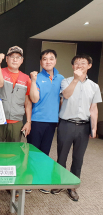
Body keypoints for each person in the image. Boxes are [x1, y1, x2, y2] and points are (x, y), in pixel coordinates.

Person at [51, 54, 102, 201]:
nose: (79, 65)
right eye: (77, 63)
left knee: (78, 158)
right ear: (73, 66)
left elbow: (94, 109)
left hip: (83, 126)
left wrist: (94, 128)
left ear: (89, 66)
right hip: (66, 124)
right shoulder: (65, 81)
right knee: (62, 156)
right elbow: (66, 95)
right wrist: (75, 79)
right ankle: (59, 182)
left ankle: (72, 186)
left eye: (83, 63)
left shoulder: (94, 86)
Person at [0, 46, 32, 197]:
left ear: (22, 60)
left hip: (16, 120)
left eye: (18, 57)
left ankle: (11, 183)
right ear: (6, 59)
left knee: (14, 153)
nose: (15, 59)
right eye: (12, 57)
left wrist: (28, 121)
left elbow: (28, 102)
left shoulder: (26, 78)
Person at [27, 49, 64, 194]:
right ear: (41, 61)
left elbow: (63, 98)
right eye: (44, 59)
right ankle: (29, 181)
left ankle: (41, 180)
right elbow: (34, 99)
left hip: (52, 121)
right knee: (33, 152)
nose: (48, 61)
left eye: (51, 58)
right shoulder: (35, 77)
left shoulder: (61, 78)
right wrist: (34, 81)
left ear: (55, 61)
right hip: (37, 120)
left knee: (45, 152)